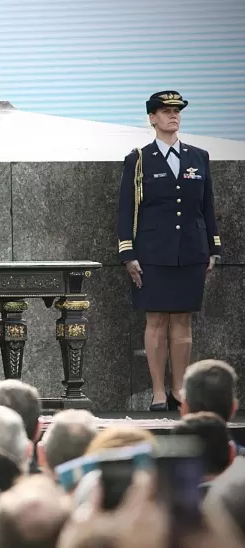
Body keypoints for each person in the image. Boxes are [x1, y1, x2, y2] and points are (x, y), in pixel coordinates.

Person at [116, 90, 221, 412]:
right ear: (152, 118)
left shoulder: (198, 156)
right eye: (165, 111)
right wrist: (128, 253)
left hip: (191, 248)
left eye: (176, 111)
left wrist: (213, 245)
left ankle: (180, 388)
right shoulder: (139, 158)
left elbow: (207, 205)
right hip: (153, 251)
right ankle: (159, 391)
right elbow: (125, 209)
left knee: (183, 322)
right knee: (157, 321)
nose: (172, 116)